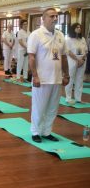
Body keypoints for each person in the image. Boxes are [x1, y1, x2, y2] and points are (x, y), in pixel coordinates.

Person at [28, 8, 69, 143]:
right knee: (39, 107)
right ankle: (35, 131)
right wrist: (35, 76)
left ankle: (46, 131)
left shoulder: (60, 35)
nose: (55, 18)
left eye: (56, 16)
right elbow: (32, 57)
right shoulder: (36, 34)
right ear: (43, 18)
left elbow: (63, 57)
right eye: (52, 16)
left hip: (56, 78)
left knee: (52, 108)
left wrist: (66, 75)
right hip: (42, 78)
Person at [65, 23, 87, 105]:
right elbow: (68, 51)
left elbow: (86, 51)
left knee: (80, 80)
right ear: (73, 29)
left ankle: (78, 98)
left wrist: (82, 59)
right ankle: (68, 98)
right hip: (72, 60)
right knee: (70, 79)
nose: (79, 28)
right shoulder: (68, 40)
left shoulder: (83, 39)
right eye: (77, 27)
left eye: (80, 27)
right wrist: (77, 60)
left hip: (82, 60)